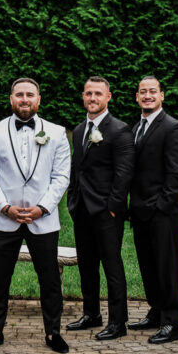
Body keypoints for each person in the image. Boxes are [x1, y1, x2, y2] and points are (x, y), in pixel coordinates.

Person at [0, 78, 71, 353]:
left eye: (30, 95)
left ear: (38, 100)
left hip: (43, 218)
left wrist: (43, 207)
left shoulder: (56, 132)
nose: (25, 99)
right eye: (19, 95)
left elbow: (61, 176)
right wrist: (4, 207)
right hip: (3, 218)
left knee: (49, 278)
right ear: (11, 99)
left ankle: (53, 333)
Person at [66, 76, 134, 340]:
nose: (92, 98)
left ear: (109, 97)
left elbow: (124, 174)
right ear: (83, 96)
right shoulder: (81, 130)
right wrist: (73, 200)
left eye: (97, 94)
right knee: (87, 265)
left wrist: (114, 208)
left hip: (107, 212)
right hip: (82, 208)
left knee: (112, 266)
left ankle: (118, 322)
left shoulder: (119, 130)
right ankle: (91, 313)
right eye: (88, 93)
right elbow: (77, 169)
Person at [126, 76, 178, 344]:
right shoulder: (134, 129)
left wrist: (162, 205)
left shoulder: (173, 128)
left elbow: (177, 173)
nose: (148, 96)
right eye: (143, 92)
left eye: (153, 91)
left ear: (162, 95)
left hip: (163, 212)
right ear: (137, 97)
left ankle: (172, 322)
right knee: (148, 265)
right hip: (138, 210)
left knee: (167, 267)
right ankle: (156, 310)